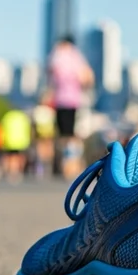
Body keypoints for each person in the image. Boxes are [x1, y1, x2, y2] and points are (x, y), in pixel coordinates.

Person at [47, 35, 94, 179]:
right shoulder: (76, 56)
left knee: (64, 135)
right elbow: (87, 76)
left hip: (61, 99)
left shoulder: (57, 53)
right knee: (72, 134)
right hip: (75, 100)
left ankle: (66, 164)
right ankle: (73, 164)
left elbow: (50, 71)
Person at [0, 109, 32, 182]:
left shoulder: (7, 117)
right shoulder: (23, 117)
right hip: (21, 141)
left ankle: (9, 171)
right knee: (19, 157)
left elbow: (2, 129)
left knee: (9, 157)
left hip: (9, 141)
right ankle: (18, 171)